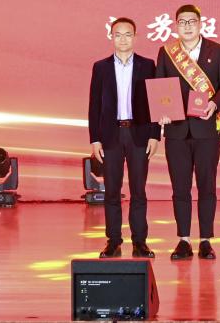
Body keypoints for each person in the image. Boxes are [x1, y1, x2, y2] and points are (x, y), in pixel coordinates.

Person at [155, 4, 220, 260]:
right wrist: (161, 111)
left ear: (200, 24)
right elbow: (160, 85)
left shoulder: (217, 51)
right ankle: (183, 240)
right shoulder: (167, 52)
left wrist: (215, 104)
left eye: (191, 21)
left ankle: (206, 240)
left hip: (206, 131)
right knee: (180, 188)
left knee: (206, 186)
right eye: (182, 22)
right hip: (176, 131)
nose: (187, 26)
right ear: (176, 26)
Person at [88, 17, 159, 258]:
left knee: (139, 190)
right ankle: (113, 241)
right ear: (111, 37)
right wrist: (95, 139)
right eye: (118, 34)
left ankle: (140, 242)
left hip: (139, 133)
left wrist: (155, 135)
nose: (123, 39)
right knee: (111, 191)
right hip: (111, 134)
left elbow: (155, 102)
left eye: (128, 34)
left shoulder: (148, 65)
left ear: (135, 37)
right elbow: (94, 105)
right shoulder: (101, 67)